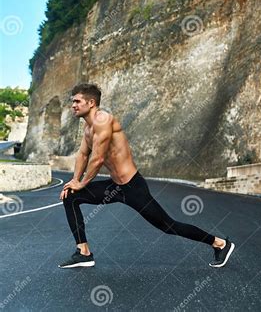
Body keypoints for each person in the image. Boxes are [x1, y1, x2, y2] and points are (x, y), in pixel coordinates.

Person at [58, 83, 234, 269]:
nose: (73, 105)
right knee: (71, 196)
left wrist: (83, 182)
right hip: (115, 186)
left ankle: (220, 243)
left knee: (168, 226)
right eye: (73, 102)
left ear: (91, 102)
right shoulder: (87, 129)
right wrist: (75, 181)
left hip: (133, 187)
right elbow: (83, 155)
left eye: (77, 101)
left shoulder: (103, 121)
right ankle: (84, 252)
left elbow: (98, 158)